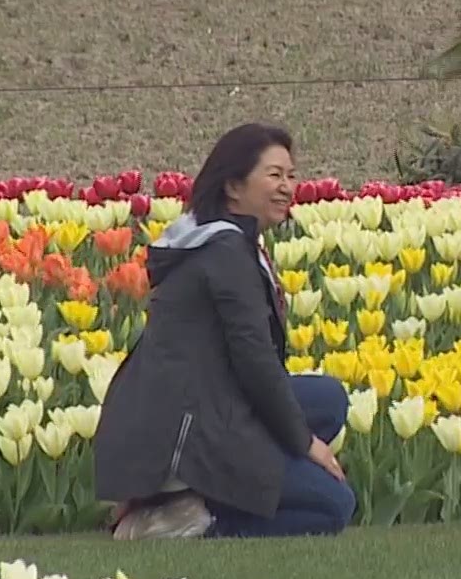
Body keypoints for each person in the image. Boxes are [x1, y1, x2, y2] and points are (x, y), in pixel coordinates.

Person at [94, 122, 358, 538]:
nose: (287, 187)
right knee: (333, 505)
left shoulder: (228, 243)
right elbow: (255, 362)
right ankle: (189, 520)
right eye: (274, 175)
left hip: (205, 407)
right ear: (233, 187)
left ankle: (186, 497)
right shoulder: (224, 252)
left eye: (291, 175)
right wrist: (307, 445)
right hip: (181, 433)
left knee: (326, 399)